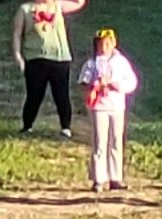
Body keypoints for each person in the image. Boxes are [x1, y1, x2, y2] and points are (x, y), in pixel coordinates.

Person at [16, 0, 87, 138]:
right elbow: (16, 34)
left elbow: (79, 3)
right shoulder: (25, 9)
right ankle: (27, 126)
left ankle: (65, 127)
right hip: (35, 57)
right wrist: (18, 56)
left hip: (60, 58)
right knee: (34, 95)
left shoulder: (57, 5)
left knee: (62, 95)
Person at [81, 28, 139, 191]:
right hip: (99, 107)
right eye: (100, 44)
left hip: (117, 106)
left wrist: (115, 85)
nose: (103, 47)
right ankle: (99, 178)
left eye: (107, 44)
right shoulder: (92, 63)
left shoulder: (121, 62)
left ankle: (115, 177)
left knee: (116, 141)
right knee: (100, 142)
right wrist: (94, 85)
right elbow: (84, 81)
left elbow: (132, 82)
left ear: (114, 44)